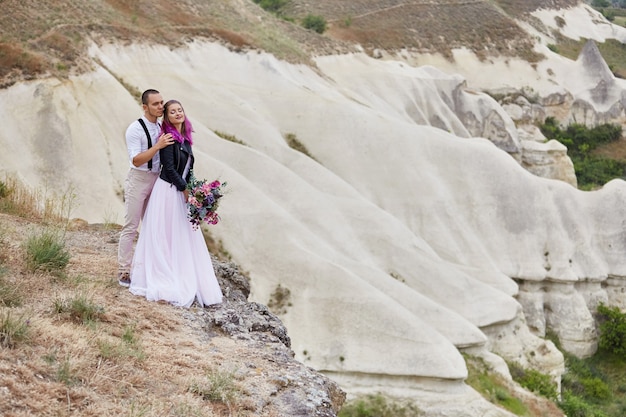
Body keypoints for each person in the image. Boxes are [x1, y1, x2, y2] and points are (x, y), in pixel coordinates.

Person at [129, 99, 223, 307]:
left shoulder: (186, 138)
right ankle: (167, 272)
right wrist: (185, 190)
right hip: (168, 192)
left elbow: (187, 168)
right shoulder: (169, 138)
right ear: (167, 117)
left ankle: (181, 269)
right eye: (172, 112)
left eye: (180, 110)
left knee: (182, 233)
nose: (178, 113)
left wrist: (196, 189)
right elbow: (169, 169)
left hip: (181, 190)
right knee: (167, 232)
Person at [118, 89, 174, 287]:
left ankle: (151, 269)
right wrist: (157, 146)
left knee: (154, 226)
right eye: (155, 104)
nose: (161, 107)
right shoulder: (135, 129)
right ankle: (124, 270)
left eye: (161, 102)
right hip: (138, 179)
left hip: (157, 180)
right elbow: (135, 160)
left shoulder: (161, 126)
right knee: (131, 226)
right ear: (145, 107)